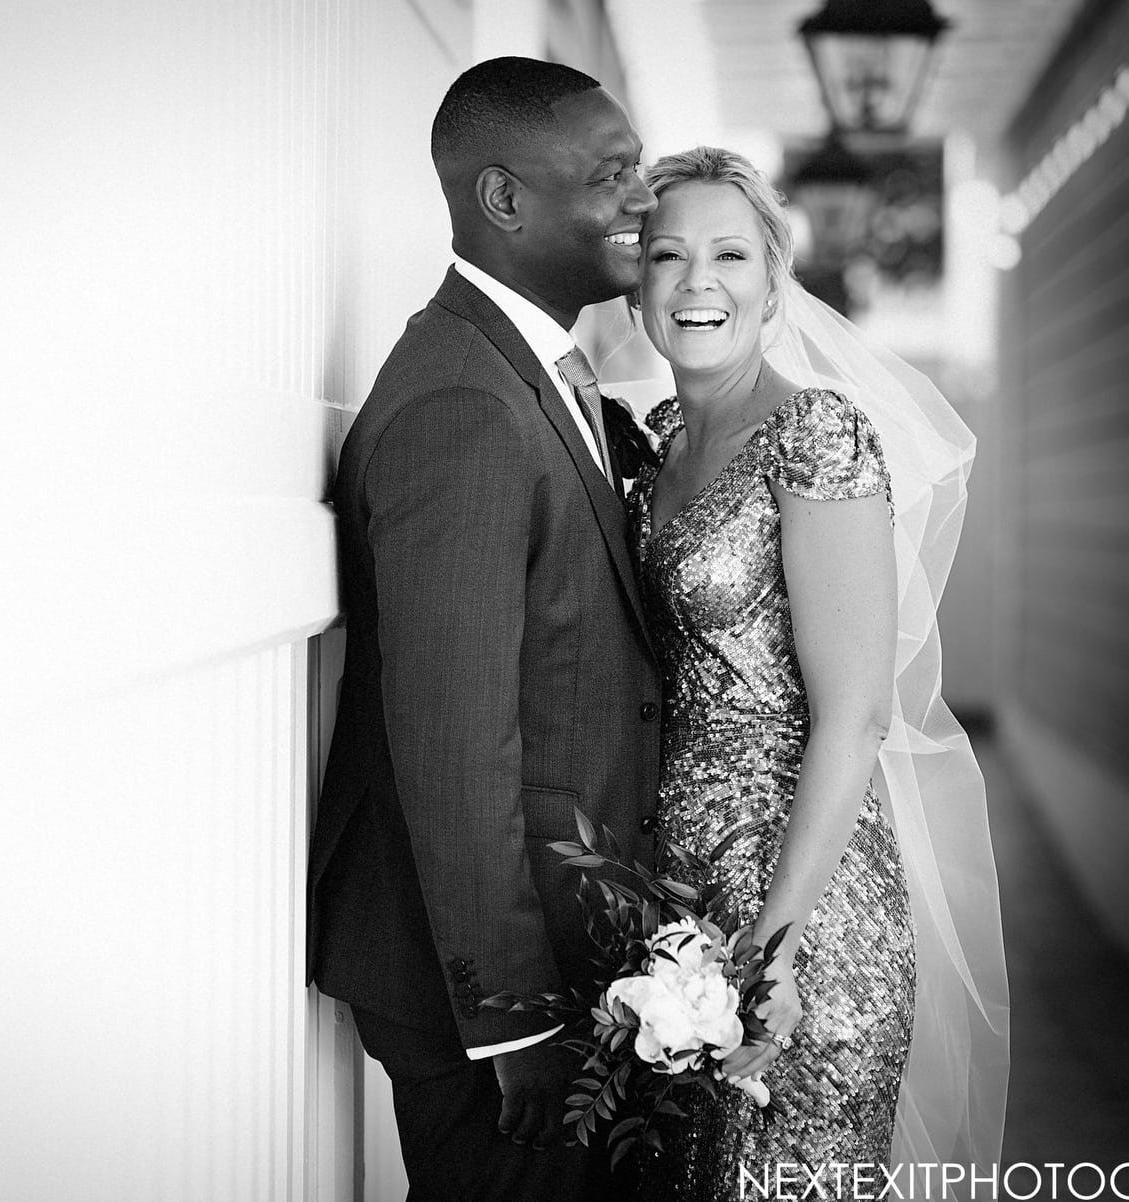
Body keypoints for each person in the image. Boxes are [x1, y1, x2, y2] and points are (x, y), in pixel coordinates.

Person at [306, 58, 665, 1201]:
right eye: (614, 177)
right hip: (483, 980)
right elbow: (455, 741)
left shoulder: (534, 371)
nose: (643, 201)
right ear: (506, 200)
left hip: (561, 945)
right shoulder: (465, 402)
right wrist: (513, 1021)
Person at [625, 146, 1010, 1197]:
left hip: (805, 912)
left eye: (729, 252)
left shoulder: (818, 433)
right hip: (674, 901)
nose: (698, 280)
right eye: (668, 254)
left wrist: (775, 949)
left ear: (774, 279)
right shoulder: (654, 443)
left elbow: (856, 715)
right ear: (637, 281)